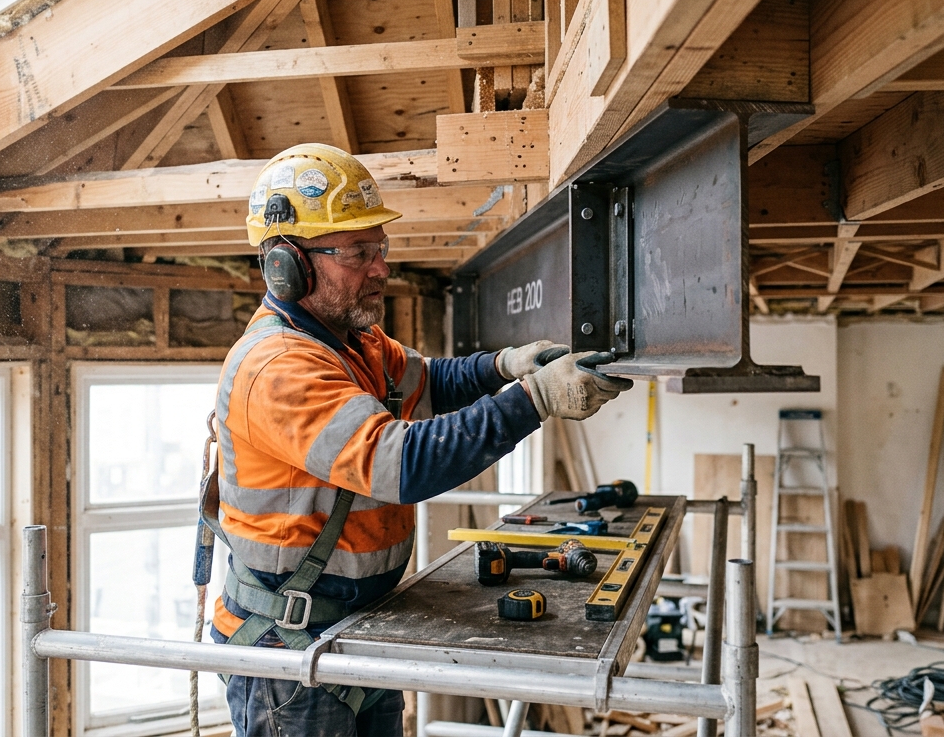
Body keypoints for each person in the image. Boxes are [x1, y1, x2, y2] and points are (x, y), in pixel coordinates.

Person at [203, 143, 631, 737]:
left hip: (355, 632)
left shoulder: (354, 343)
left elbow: (427, 381)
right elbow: (402, 462)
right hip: (288, 657)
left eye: (380, 248)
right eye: (357, 252)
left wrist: (506, 365)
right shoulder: (278, 367)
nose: (380, 268)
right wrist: (536, 399)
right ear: (287, 265)